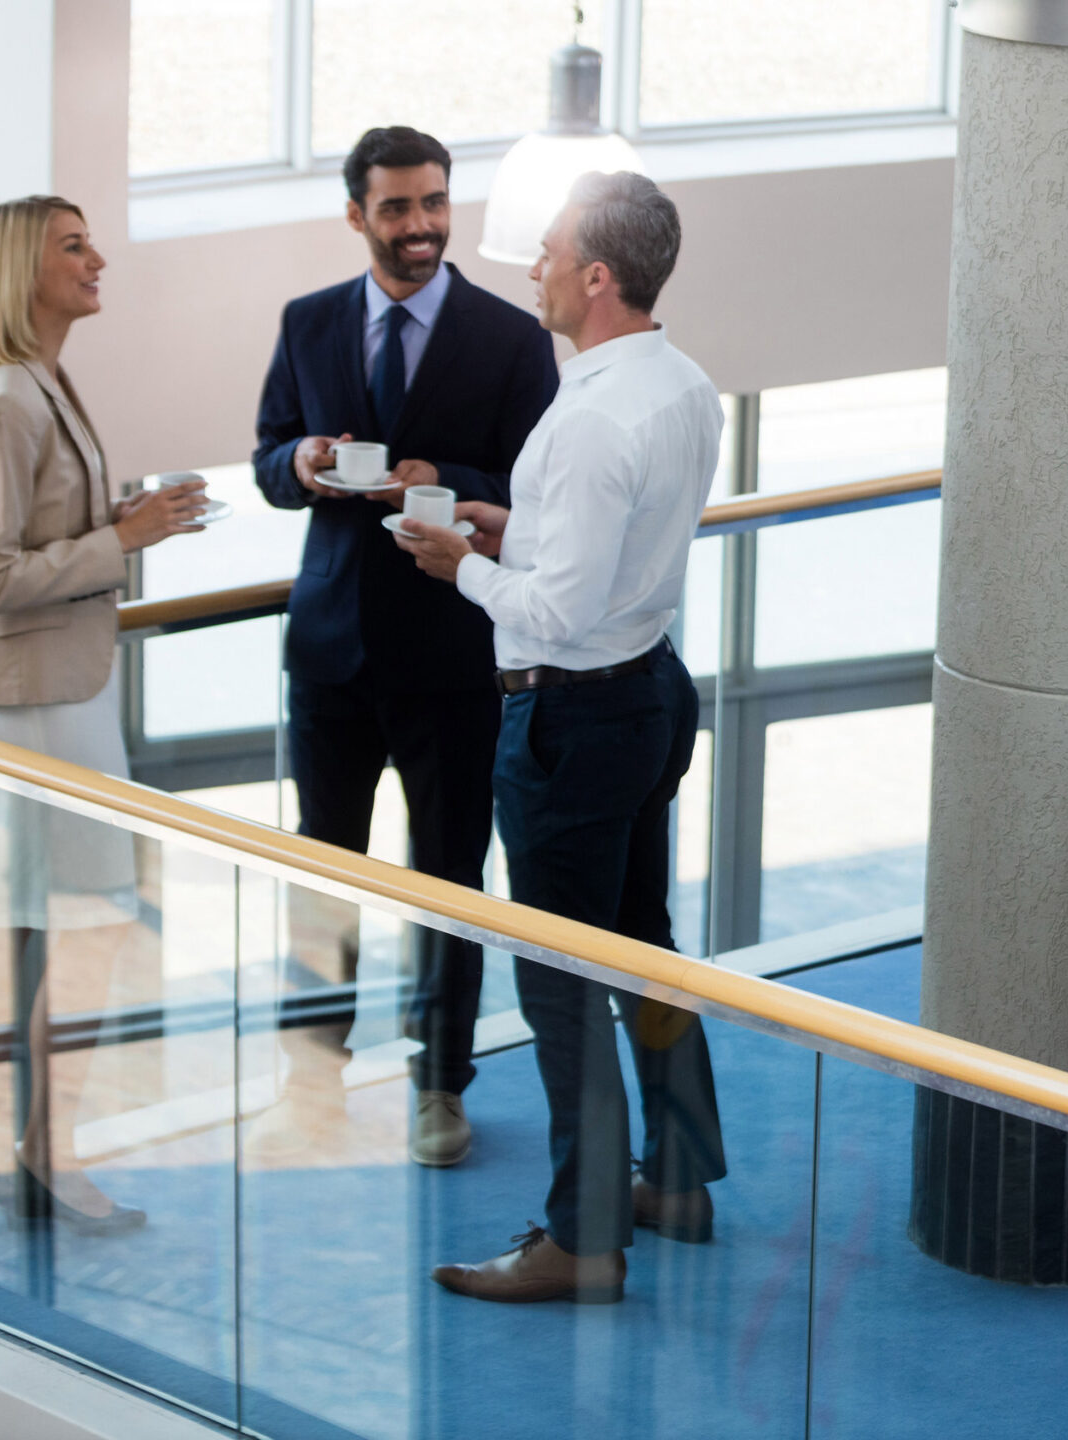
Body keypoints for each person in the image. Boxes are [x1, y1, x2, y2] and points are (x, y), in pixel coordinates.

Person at [397, 172, 724, 1304]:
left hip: (573, 718)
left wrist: (463, 563)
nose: (524, 268)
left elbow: (556, 615)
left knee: (563, 985)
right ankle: (677, 1177)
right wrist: (514, 524)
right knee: (643, 948)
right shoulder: (680, 385)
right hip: (648, 692)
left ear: (595, 277)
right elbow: (613, 549)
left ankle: (583, 1240)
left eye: (542, 253)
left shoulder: (588, 417)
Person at [250, 126, 560, 1168]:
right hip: (331, 651)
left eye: (434, 203)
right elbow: (265, 460)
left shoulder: (512, 339)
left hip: (453, 652)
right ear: (357, 215)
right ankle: (313, 1075)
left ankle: (441, 1084)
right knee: (320, 870)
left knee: (448, 878)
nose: (421, 226)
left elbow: (536, 490)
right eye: (398, 208)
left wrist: (445, 470)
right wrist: (302, 457)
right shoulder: (306, 322)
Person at [0, 195, 207, 1231]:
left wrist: (127, 528)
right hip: (38, 711)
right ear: (23, 267)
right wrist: (124, 539)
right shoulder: (10, 400)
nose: (99, 258)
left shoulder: (44, 382)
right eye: (74, 246)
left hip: (63, 696)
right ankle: (49, 1155)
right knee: (79, 931)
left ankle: (44, 1149)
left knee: (55, 937)